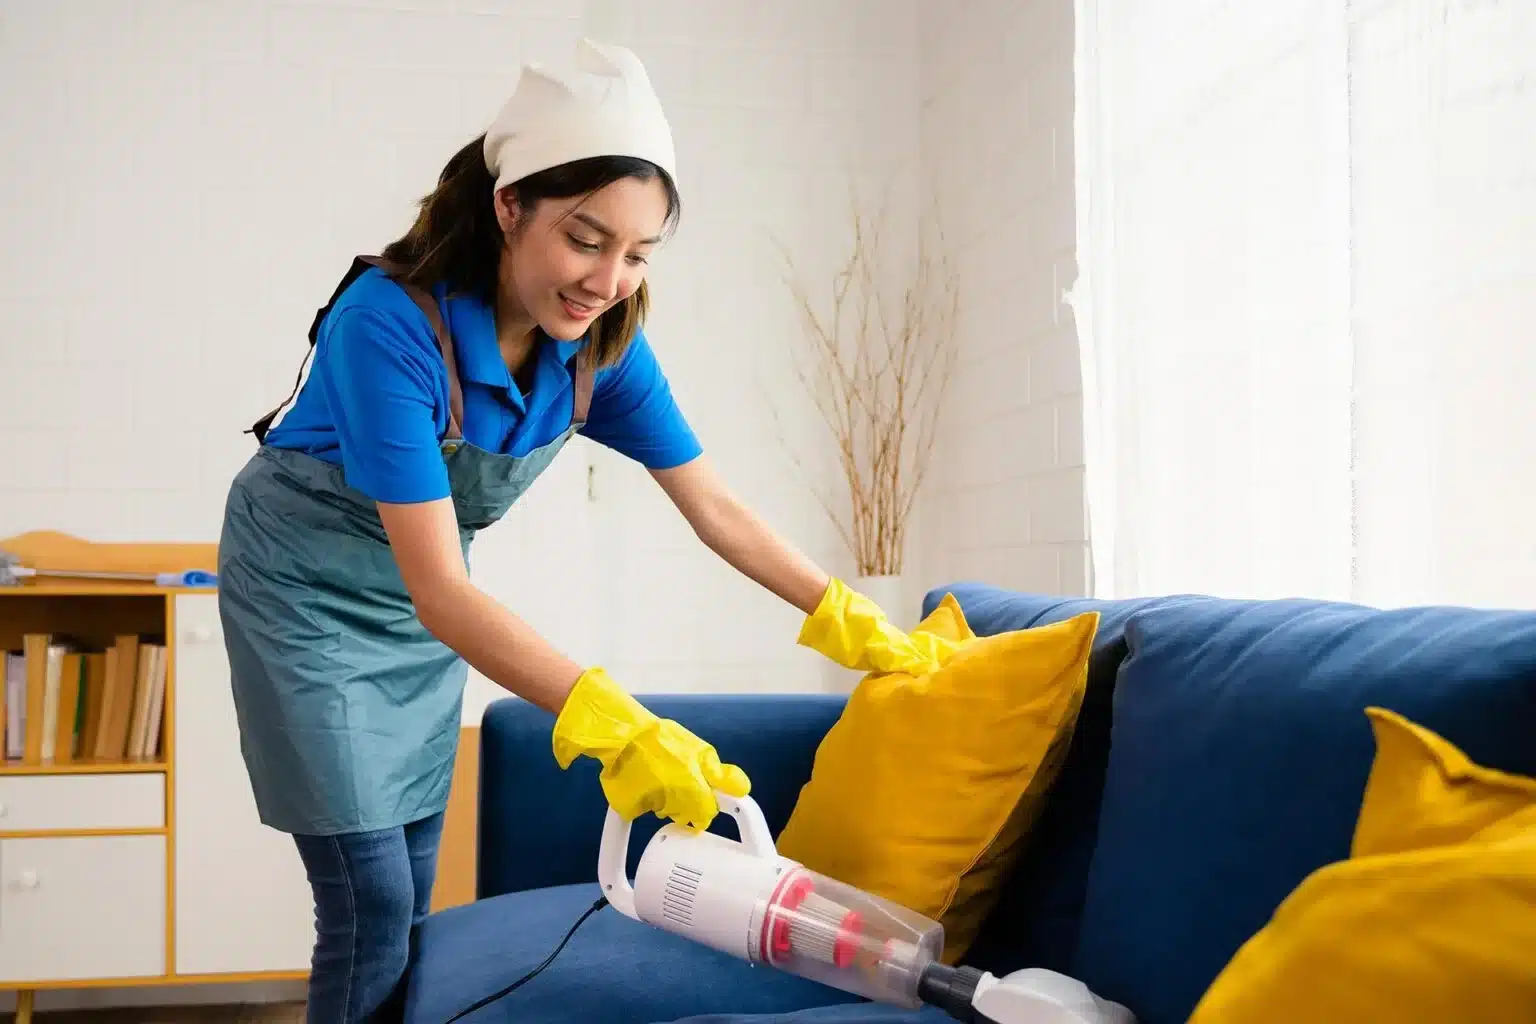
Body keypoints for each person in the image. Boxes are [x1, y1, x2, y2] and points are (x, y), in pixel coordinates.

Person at [216, 39, 950, 1024]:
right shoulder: (387, 325)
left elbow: (716, 508)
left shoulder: (599, 349)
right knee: (368, 895)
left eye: (638, 252)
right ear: (509, 205)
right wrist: (616, 724)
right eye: (585, 237)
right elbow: (443, 588)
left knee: (414, 877)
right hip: (308, 589)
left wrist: (853, 620)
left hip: (421, 609)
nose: (607, 277)